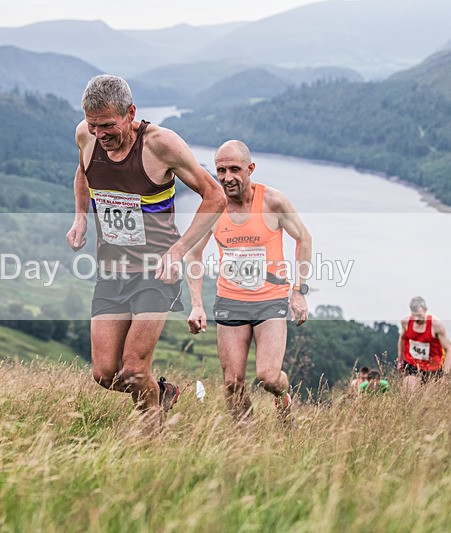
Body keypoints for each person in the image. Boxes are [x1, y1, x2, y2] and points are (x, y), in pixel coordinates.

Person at [65, 75, 225, 428]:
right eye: (93, 126)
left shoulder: (161, 145)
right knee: (105, 374)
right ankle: (163, 393)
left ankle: (151, 440)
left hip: (156, 272)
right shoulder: (85, 136)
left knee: (135, 370)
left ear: (130, 113)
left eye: (108, 125)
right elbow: (82, 172)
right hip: (111, 271)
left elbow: (215, 195)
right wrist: (81, 218)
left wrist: (179, 250)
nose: (100, 134)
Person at [185, 140, 312, 422]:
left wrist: (299, 291)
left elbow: (304, 238)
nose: (227, 177)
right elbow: (193, 254)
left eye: (234, 169)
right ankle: (246, 441)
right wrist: (196, 305)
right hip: (230, 301)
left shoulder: (272, 201)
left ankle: (283, 395)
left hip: (270, 301)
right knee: (232, 383)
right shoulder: (212, 206)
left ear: (250, 169)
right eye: (221, 170)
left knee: (268, 377)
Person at [397, 296, 451, 391]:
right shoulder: (406, 322)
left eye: (419, 315)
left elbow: (448, 350)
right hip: (412, 364)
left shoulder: (436, 325)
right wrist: (400, 360)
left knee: (427, 402)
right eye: (414, 315)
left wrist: (446, 375)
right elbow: (402, 338)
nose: (416, 319)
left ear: (426, 310)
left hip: (433, 368)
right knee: (409, 394)